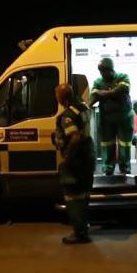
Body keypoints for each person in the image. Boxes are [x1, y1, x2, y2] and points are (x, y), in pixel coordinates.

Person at [53, 83, 95, 244]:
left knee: (73, 196)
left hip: (76, 160)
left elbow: (75, 137)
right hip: (88, 155)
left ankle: (79, 233)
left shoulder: (68, 115)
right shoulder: (83, 108)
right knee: (83, 195)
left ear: (61, 97)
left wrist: (67, 159)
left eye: (57, 95)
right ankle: (83, 227)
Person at [89, 58, 134, 175]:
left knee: (125, 144)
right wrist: (87, 105)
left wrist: (105, 93)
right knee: (107, 144)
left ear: (111, 69)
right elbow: (93, 94)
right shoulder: (98, 81)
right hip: (106, 119)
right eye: (101, 71)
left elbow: (123, 88)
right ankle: (108, 168)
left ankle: (125, 168)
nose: (102, 73)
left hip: (124, 118)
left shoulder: (123, 77)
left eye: (104, 71)